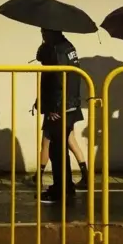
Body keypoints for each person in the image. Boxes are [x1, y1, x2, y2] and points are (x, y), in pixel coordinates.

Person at [31, 42, 88, 189]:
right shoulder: (68, 53)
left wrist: (51, 108)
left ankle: (40, 176)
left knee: (47, 142)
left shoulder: (53, 68)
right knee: (70, 140)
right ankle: (85, 174)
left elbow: (52, 89)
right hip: (70, 106)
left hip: (57, 109)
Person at [37, 28, 83, 204]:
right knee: (61, 147)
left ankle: (60, 189)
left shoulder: (58, 50)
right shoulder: (68, 48)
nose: (42, 35)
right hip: (67, 105)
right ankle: (66, 186)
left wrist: (56, 107)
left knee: (57, 150)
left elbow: (59, 79)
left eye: (44, 32)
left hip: (60, 107)